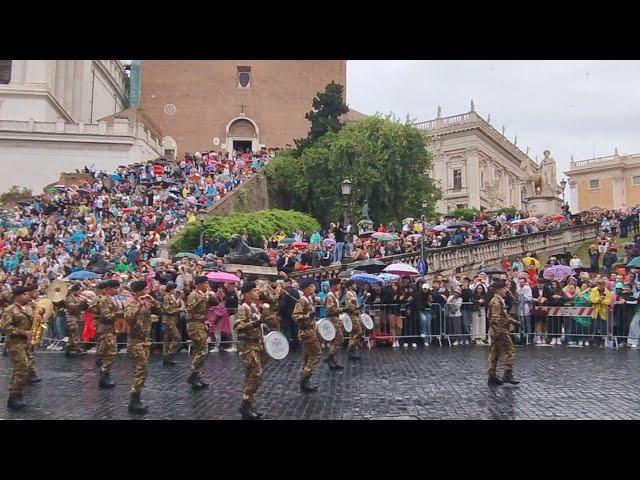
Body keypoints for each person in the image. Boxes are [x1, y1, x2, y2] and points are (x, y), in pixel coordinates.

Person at [2, 285, 39, 410]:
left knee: (23, 368)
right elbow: (6, 328)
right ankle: (14, 397)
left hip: (25, 343)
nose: (27, 296)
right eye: (24, 294)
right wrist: (24, 333)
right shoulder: (10, 310)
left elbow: (33, 322)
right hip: (14, 343)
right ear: (18, 296)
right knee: (21, 367)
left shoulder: (27, 308)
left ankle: (16, 394)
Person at [234, 280, 265, 420]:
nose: (258, 292)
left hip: (255, 344)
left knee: (251, 374)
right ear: (247, 293)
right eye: (255, 290)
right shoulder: (243, 308)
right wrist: (254, 323)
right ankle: (246, 404)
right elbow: (238, 326)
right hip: (247, 346)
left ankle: (248, 404)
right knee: (256, 373)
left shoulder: (253, 307)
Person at [124, 280, 154, 414]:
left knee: (143, 371)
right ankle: (134, 400)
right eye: (144, 290)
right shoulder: (131, 304)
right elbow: (129, 318)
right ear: (138, 292)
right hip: (135, 341)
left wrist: (150, 300)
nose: (146, 292)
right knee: (141, 368)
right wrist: (138, 303)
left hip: (145, 341)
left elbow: (160, 308)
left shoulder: (146, 303)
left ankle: (137, 398)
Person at [88, 279, 122, 389]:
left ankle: (105, 375)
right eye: (115, 288)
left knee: (109, 352)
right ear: (108, 289)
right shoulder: (104, 300)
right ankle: (104, 375)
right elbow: (106, 316)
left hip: (111, 329)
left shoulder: (112, 299)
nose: (117, 290)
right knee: (111, 352)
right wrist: (121, 313)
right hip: (105, 329)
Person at [186, 276, 218, 390]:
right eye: (205, 283)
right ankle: (193, 374)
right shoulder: (193, 295)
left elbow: (215, 303)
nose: (207, 285)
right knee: (202, 350)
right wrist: (201, 300)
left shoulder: (206, 295)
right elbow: (189, 308)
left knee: (199, 350)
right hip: (194, 324)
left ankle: (197, 376)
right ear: (198, 285)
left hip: (202, 324)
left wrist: (213, 296)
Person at [487, 279, 520, 386]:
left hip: (497, 330)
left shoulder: (498, 300)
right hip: (500, 330)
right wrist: (499, 332)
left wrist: (514, 322)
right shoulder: (496, 301)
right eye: (505, 288)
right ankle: (507, 374)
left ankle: (492, 376)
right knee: (510, 351)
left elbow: (503, 316)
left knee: (495, 353)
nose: (506, 290)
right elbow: (495, 319)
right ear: (499, 289)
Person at [292, 278, 321, 392]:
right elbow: (295, 316)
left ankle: (305, 380)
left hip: (310, 330)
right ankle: (305, 376)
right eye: (311, 287)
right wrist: (307, 316)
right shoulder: (302, 300)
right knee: (316, 354)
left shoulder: (309, 299)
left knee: (307, 356)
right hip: (307, 332)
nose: (313, 288)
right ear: (306, 288)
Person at [323, 278, 344, 370]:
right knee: (338, 339)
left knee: (334, 341)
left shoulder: (334, 295)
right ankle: (329, 357)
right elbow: (330, 309)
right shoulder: (330, 296)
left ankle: (333, 361)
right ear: (333, 285)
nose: (340, 286)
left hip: (336, 319)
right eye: (338, 284)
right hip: (333, 319)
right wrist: (343, 309)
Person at [160, 282, 182, 366]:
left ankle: (166, 358)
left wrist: (178, 300)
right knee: (177, 338)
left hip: (172, 320)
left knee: (168, 339)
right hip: (168, 321)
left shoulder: (172, 297)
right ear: (171, 289)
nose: (175, 290)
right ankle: (169, 354)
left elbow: (175, 306)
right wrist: (179, 310)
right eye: (174, 289)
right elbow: (168, 310)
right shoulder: (166, 297)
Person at [344, 280, 364, 357]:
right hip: (352, 315)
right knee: (358, 332)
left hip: (356, 314)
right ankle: (350, 348)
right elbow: (349, 305)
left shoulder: (354, 293)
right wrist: (357, 307)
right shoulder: (348, 294)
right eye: (354, 284)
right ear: (350, 286)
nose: (355, 285)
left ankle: (352, 351)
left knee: (354, 333)